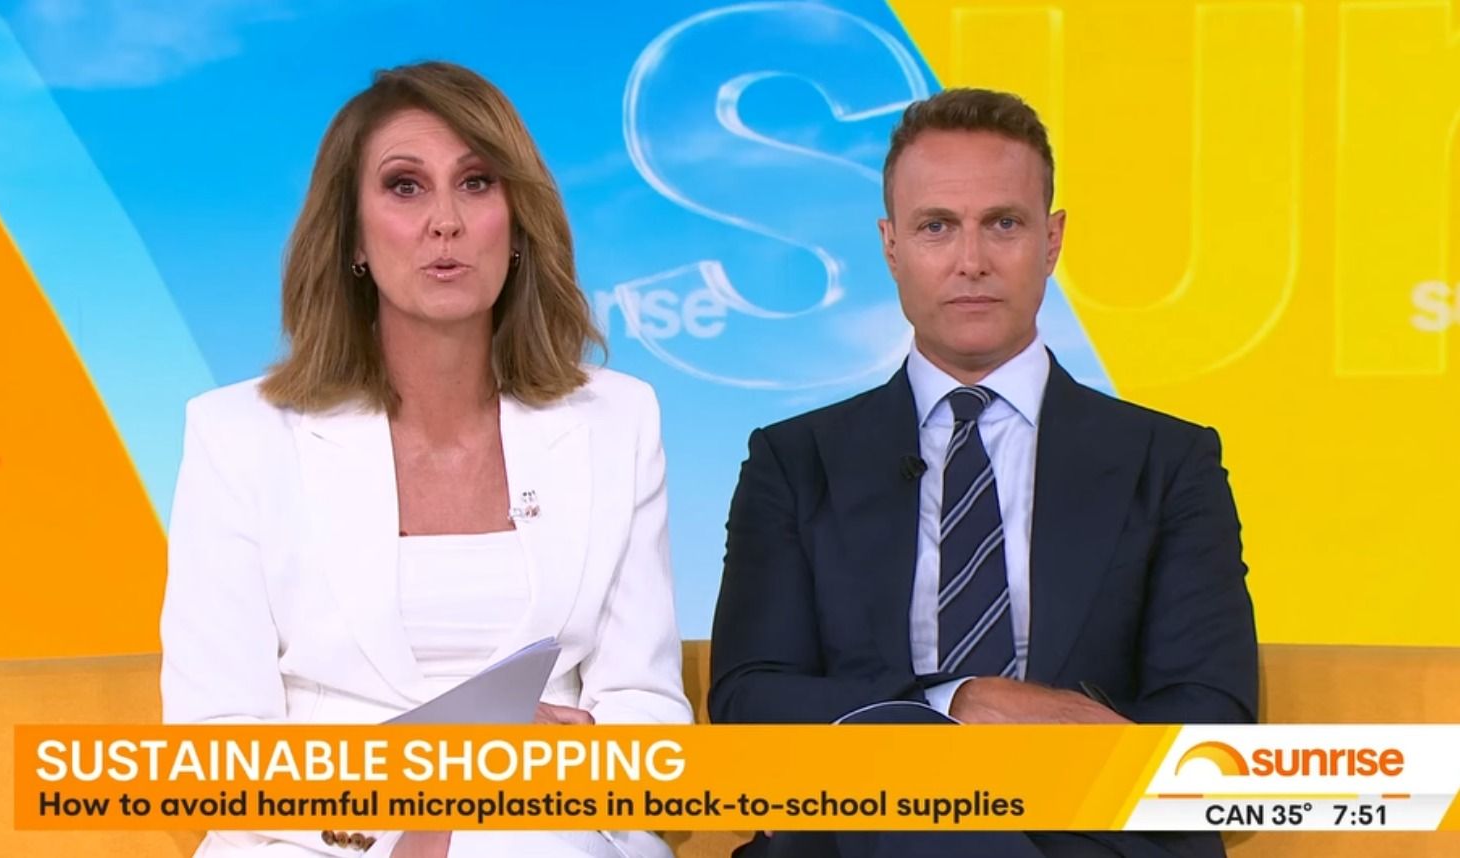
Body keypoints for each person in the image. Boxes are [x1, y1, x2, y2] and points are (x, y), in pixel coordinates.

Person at [160, 61, 692, 858]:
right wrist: (438, 777)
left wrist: (537, 783)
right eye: (405, 187)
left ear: (518, 223)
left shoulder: (618, 420)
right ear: (352, 235)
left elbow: (645, 711)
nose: (445, 220)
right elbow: (214, 749)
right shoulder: (237, 434)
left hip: (550, 828)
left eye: (476, 183)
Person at [709, 88, 1257, 858]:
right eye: (937, 226)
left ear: (1052, 241)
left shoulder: (1168, 463)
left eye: (1003, 223)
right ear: (891, 246)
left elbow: (1212, 727)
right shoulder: (796, 463)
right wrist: (956, 706)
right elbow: (750, 703)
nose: (971, 261)